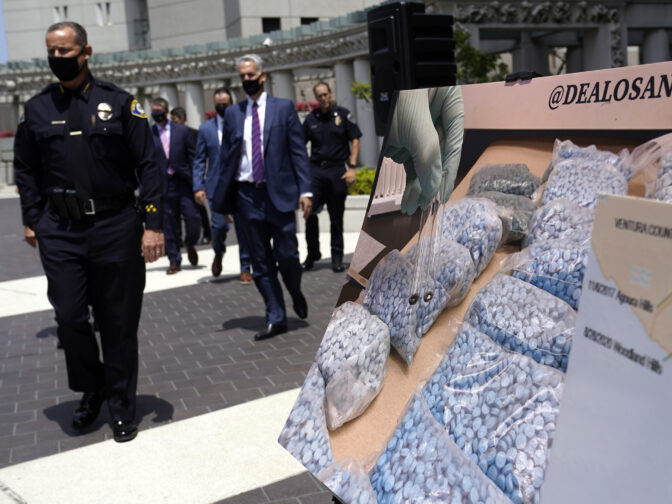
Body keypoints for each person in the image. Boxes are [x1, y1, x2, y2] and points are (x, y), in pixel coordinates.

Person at [14, 21, 164, 442]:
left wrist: (153, 225)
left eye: (65, 51)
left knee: (117, 322)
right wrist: (32, 216)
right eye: (52, 51)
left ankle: (120, 405)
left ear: (86, 52)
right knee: (69, 317)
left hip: (116, 226)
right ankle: (92, 386)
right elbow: (25, 167)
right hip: (60, 230)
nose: (57, 58)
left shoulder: (119, 103)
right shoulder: (37, 109)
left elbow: (149, 165)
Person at [211, 54, 312, 341]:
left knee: (287, 254)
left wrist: (306, 191)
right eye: (242, 76)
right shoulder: (233, 114)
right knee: (259, 261)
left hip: (278, 194)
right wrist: (224, 200)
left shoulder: (284, 109)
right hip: (245, 196)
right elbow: (227, 160)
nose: (246, 80)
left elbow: (297, 153)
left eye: (250, 75)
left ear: (262, 75)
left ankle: (294, 289)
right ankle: (275, 316)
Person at [193, 87, 253, 282]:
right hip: (217, 187)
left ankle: (245, 266)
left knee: (244, 228)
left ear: (232, 103)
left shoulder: (244, 123)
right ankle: (218, 252)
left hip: (241, 184)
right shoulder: (205, 129)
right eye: (218, 104)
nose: (221, 107)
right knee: (218, 227)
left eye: (225, 104)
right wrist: (198, 186)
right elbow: (199, 160)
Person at [301, 82, 361, 273]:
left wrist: (351, 167)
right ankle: (313, 253)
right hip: (316, 171)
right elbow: (299, 145)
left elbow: (355, 138)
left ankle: (337, 257)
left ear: (330, 94)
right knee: (309, 213)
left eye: (326, 94)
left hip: (337, 171)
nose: (324, 98)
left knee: (336, 217)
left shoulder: (342, 115)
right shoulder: (311, 119)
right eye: (320, 96)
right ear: (316, 98)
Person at [150, 97, 200, 274]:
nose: (156, 115)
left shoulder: (182, 131)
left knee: (193, 218)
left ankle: (191, 243)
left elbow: (194, 156)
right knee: (169, 224)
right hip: (163, 185)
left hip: (183, 182)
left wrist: (197, 180)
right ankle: (174, 260)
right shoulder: (149, 134)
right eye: (153, 112)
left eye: (159, 111)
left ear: (166, 111)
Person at [171, 106, 212, 246]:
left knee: (199, 206)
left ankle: (207, 233)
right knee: (175, 209)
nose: (173, 123)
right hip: (176, 179)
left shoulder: (194, 133)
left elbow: (198, 157)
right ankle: (178, 238)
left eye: (175, 120)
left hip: (191, 177)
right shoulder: (170, 135)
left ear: (183, 119)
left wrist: (198, 178)